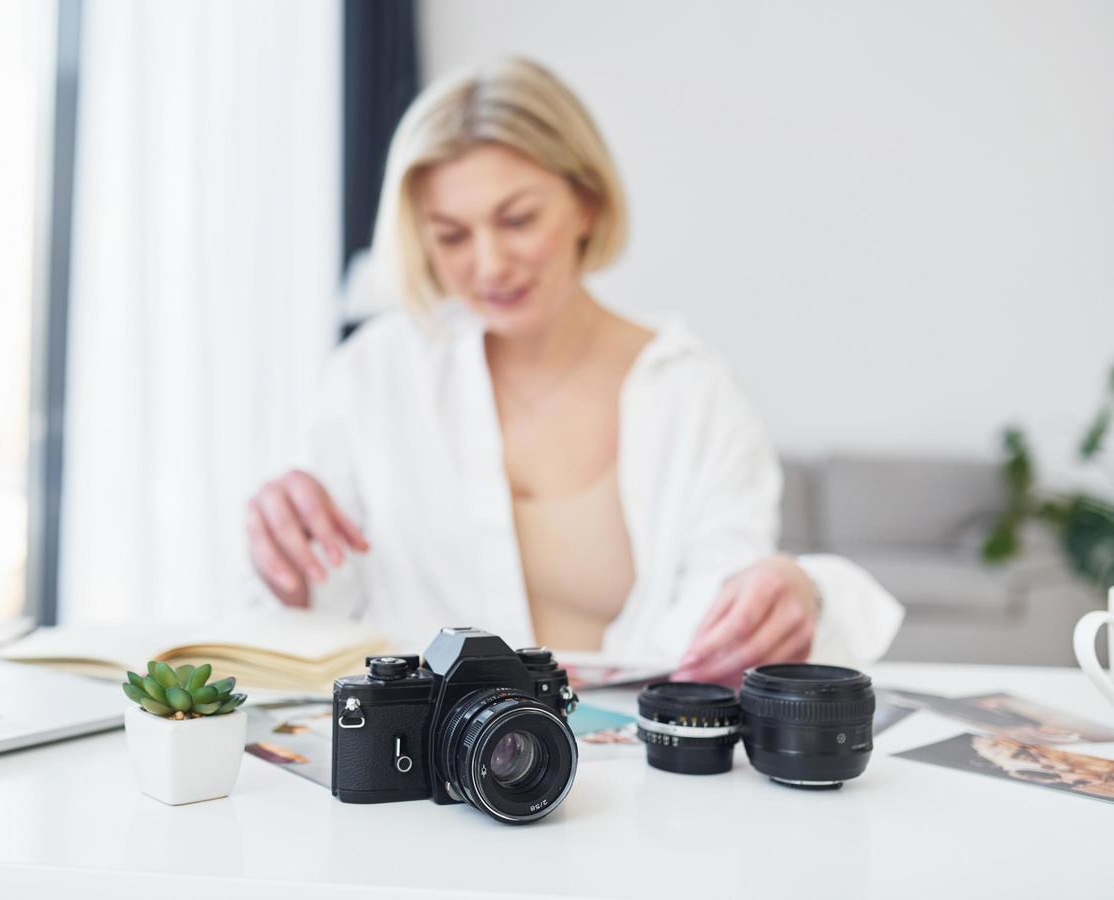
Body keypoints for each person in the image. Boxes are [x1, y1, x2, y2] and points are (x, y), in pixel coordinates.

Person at [244, 56, 903, 687]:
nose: (490, 264)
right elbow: (319, 613)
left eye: (518, 219)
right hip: (431, 779)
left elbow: (724, 604)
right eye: (450, 235)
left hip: (646, 776)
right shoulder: (376, 374)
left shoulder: (690, 390)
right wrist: (281, 555)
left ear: (586, 202)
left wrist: (784, 597)